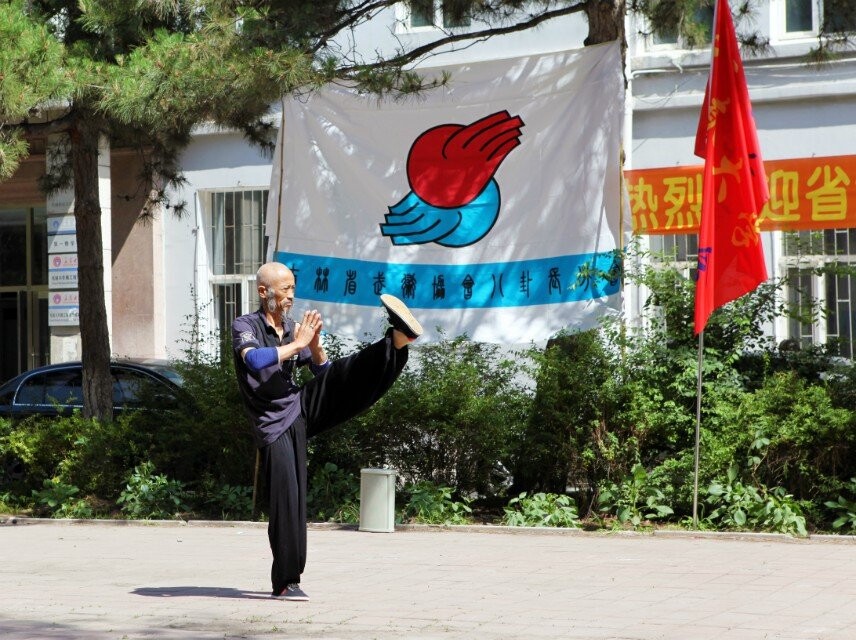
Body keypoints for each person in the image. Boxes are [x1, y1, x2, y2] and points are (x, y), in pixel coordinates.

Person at [231, 261, 422, 602]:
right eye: (285, 289)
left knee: (343, 377)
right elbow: (255, 361)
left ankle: (394, 342)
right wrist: (298, 343)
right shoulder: (245, 325)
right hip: (271, 424)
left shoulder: (294, 328)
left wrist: (315, 344)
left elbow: (324, 374)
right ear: (264, 292)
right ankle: (287, 582)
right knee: (289, 501)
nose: (291, 295)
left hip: (299, 407)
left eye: (293, 288)